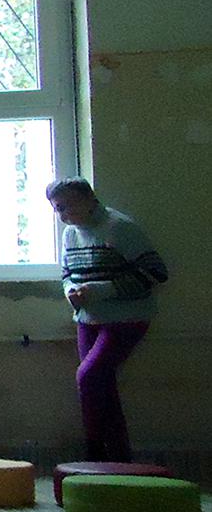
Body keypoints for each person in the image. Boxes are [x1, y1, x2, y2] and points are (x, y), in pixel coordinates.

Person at [49, 177, 168, 462]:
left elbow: (156, 272)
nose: (63, 215)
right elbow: (67, 274)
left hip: (127, 318)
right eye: (57, 209)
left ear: (89, 199)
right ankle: (119, 459)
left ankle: (94, 452)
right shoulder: (69, 234)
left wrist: (101, 290)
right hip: (87, 318)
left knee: (88, 377)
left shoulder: (120, 228)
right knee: (103, 387)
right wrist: (71, 292)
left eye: (67, 206)